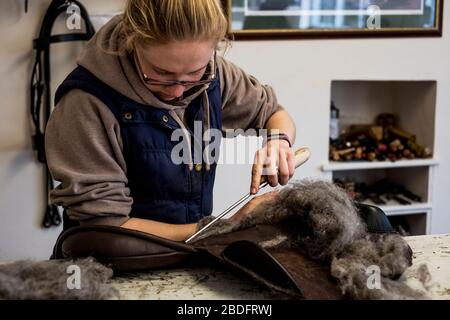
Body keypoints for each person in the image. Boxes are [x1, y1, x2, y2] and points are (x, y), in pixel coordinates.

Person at [45, 0, 297, 242]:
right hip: (110, 267)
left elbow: (273, 113)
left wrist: (278, 142)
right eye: (162, 73)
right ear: (132, 40)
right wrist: (227, 226)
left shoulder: (215, 74)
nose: (178, 91)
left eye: (193, 74)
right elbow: (107, 228)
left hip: (188, 259)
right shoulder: (86, 103)